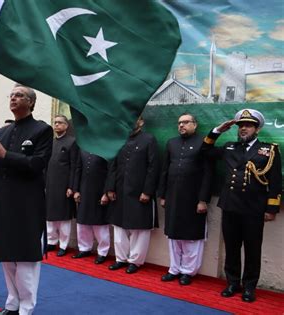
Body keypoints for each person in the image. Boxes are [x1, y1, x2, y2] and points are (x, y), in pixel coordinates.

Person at [0, 84, 52, 315]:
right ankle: (12, 304)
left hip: (27, 202)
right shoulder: (2, 132)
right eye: (11, 95)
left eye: (19, 95)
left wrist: (4, 154)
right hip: (4, 201)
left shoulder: (42, 130)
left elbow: (37, 164)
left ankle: (26, 308)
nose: (13, 98)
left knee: (25, 259)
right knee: (7, 257)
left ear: (31, 102)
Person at [201, 109, 282, 302]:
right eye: (241, 125)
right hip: (230, 206)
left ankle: (249, 286)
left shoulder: (269, 150)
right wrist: (217, 131)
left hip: (254, 208)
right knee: (232, 246)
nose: (243, 128)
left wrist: (271, 209)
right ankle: (232, 282)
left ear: (257, 129)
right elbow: (205, 152)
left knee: (253, 249)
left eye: (248, 125)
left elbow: (276, 181)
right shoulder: (230, 147)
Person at [158, 113, 212, 286]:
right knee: (173, 236)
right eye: (179, 123)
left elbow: (208, 174)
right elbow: (165, 170)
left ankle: (188, 271)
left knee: (191, 237)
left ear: (195, 125)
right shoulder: (171, 143)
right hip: (173, 196)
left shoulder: (204, 144)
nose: (181, 125)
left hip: (194, 198)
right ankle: (174, 269)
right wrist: (163, 195)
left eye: (186, 122)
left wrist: (203, 199)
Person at [105, 117, 160, 273]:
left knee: (139, 229)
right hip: (119, 191)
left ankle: (135, 261)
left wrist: (147, 191)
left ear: (141, 122)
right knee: (119, 227)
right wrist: (110, 188)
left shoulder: (149, 139)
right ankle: (120, 259)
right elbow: (112, 165)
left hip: (139, 193)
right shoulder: (120, 139)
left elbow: (153, 167)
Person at [45, 114, 78, 257]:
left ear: (66, 126)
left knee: (64, 218)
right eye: (55, 123)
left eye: (60, 123)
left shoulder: (72, 142)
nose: (57, 125)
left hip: (64, 187)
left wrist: (71, 186)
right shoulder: (49, 142)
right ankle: (51, 242)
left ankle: (63, 245)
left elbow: (74, 167)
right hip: (50, 185)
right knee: (50, 216)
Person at [72, 151, 111, 264]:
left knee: (100, 224)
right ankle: (84, 248)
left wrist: (106, 192)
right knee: (82, 222)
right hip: (84, 190)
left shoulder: (106, 148)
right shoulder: (83, 149)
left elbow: (110, 173)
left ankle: (102, 252)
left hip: (99, 191)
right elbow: (78, 170)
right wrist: (76, 190)